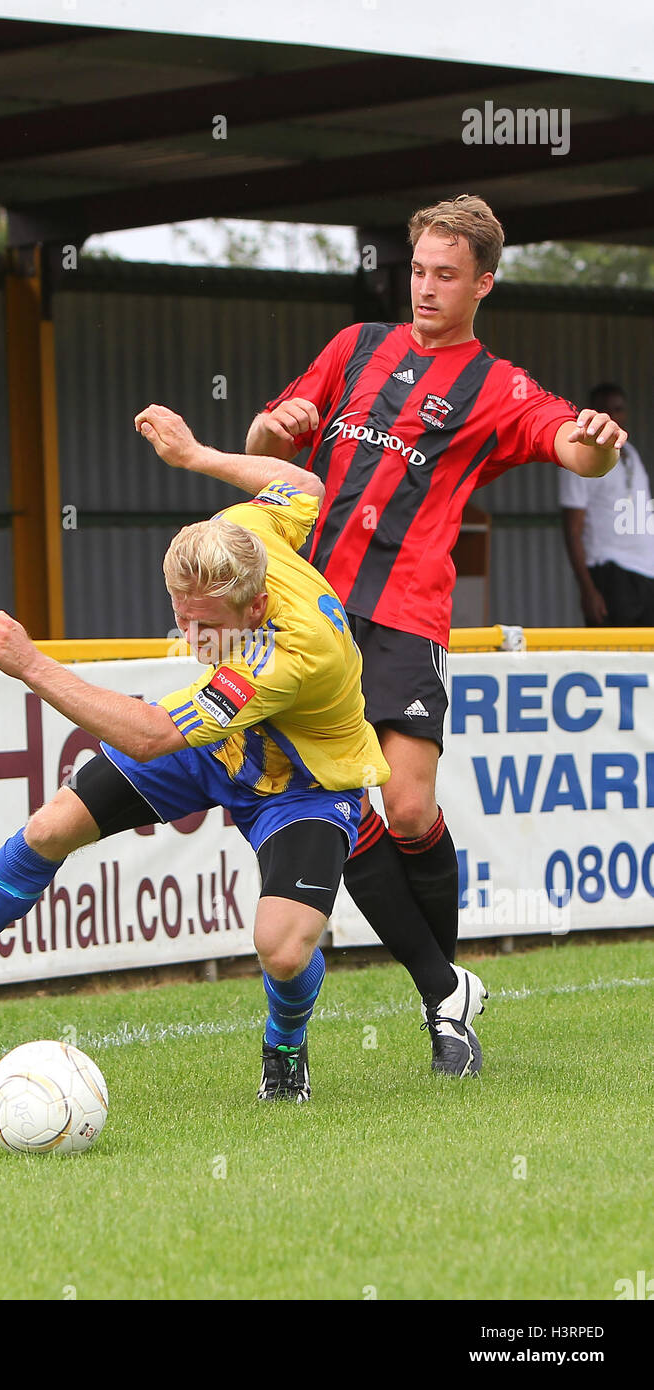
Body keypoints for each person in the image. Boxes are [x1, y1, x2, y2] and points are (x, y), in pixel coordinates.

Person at [0, 405, 470, 1103]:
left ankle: (284, 1046)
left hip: (304, 784)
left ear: (254, 610)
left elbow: (149, 735)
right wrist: (195, 455)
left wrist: (31, 664)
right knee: (49, 828)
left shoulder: (290, 653)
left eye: (206, 622)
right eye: (179, 612)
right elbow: (298, 482)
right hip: (217, 746)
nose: (189, 632)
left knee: (283, 949)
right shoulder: (242, 534)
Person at [245, 194, 627, 1077]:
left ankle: (440, 996)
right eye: (418, 269)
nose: (425, 287)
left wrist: (601, 445)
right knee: (342, 799)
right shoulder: (356, 347)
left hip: (408, 612)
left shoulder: (496, 385)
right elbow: (266, 434)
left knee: (409, 807)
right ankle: (442, 1000)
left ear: (483, 284)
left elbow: (570, 445)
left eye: (446, 275)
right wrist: (282, 426)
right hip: (313, 610)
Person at [559, 383, 654, 626]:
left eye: (618, 409)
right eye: (604, 409)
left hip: (646, 572)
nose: (612, 416)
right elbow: (572, 529)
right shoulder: (581, 455)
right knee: (617, 659)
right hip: (611, 570)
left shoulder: (630, 452)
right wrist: (588, 590)